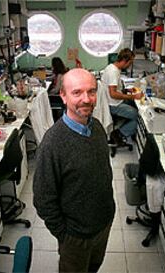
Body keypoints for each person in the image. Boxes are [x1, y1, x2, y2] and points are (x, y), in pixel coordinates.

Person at [33, 68, 115, 273]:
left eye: (91, 91)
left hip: (103, 224)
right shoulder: (52, 144)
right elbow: (43, 199)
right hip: (76, 237)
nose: (86, 99)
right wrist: (65, 236)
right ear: (63, 95)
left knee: (94, 268)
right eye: (77, 92)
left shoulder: (96, 127)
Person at [101, 48, 144, 144]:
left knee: (134, 105)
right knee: (139, 116)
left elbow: (115, 89)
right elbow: (113, 94)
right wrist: (133, 97)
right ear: (125, 61)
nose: (130, 65)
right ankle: (119, 134)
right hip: (113, 105)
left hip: (113, 101)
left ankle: (130, 130)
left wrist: (126, 90)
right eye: (130, 62)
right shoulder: (113, 72)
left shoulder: (112, 67)